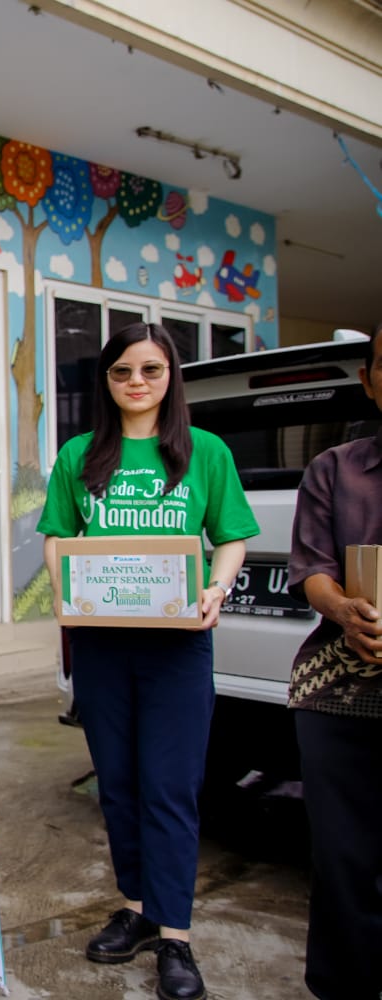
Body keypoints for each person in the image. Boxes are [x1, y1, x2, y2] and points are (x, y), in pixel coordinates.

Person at [38, 323, 257, 1000]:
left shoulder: (204, 451)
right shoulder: (79, 455)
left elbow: (230, 536)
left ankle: (176, 938)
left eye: (151, 370)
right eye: (122, 371)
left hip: (177, 647)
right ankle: (135, 908)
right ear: (106, 381)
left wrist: (216, 588)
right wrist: (67, 594)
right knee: (119, 785)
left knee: (170, 788)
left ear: (171, 376)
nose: (136, 382)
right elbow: (58, 535)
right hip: (102, 644)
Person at [286, 322, 382, 1000]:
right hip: (340, 692)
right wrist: (346, 611)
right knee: (344, 857)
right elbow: (312, 570)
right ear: (369, 381)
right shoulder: (335, 469)